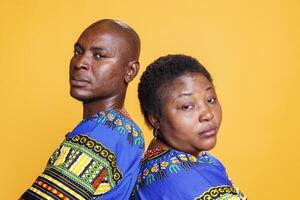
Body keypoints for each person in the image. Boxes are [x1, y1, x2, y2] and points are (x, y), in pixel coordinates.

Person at [21, 19, 144, 200]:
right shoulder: (129, 133)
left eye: (99, 56)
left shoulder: (99, 134)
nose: (79, 63)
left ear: (130, 71)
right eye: (78, 52)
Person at [131, 54, 247, 199]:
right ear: (155, 118)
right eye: (187, 106)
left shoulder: (162, 164)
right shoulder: (182, 179)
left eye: (210, 100)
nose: (207, 114)